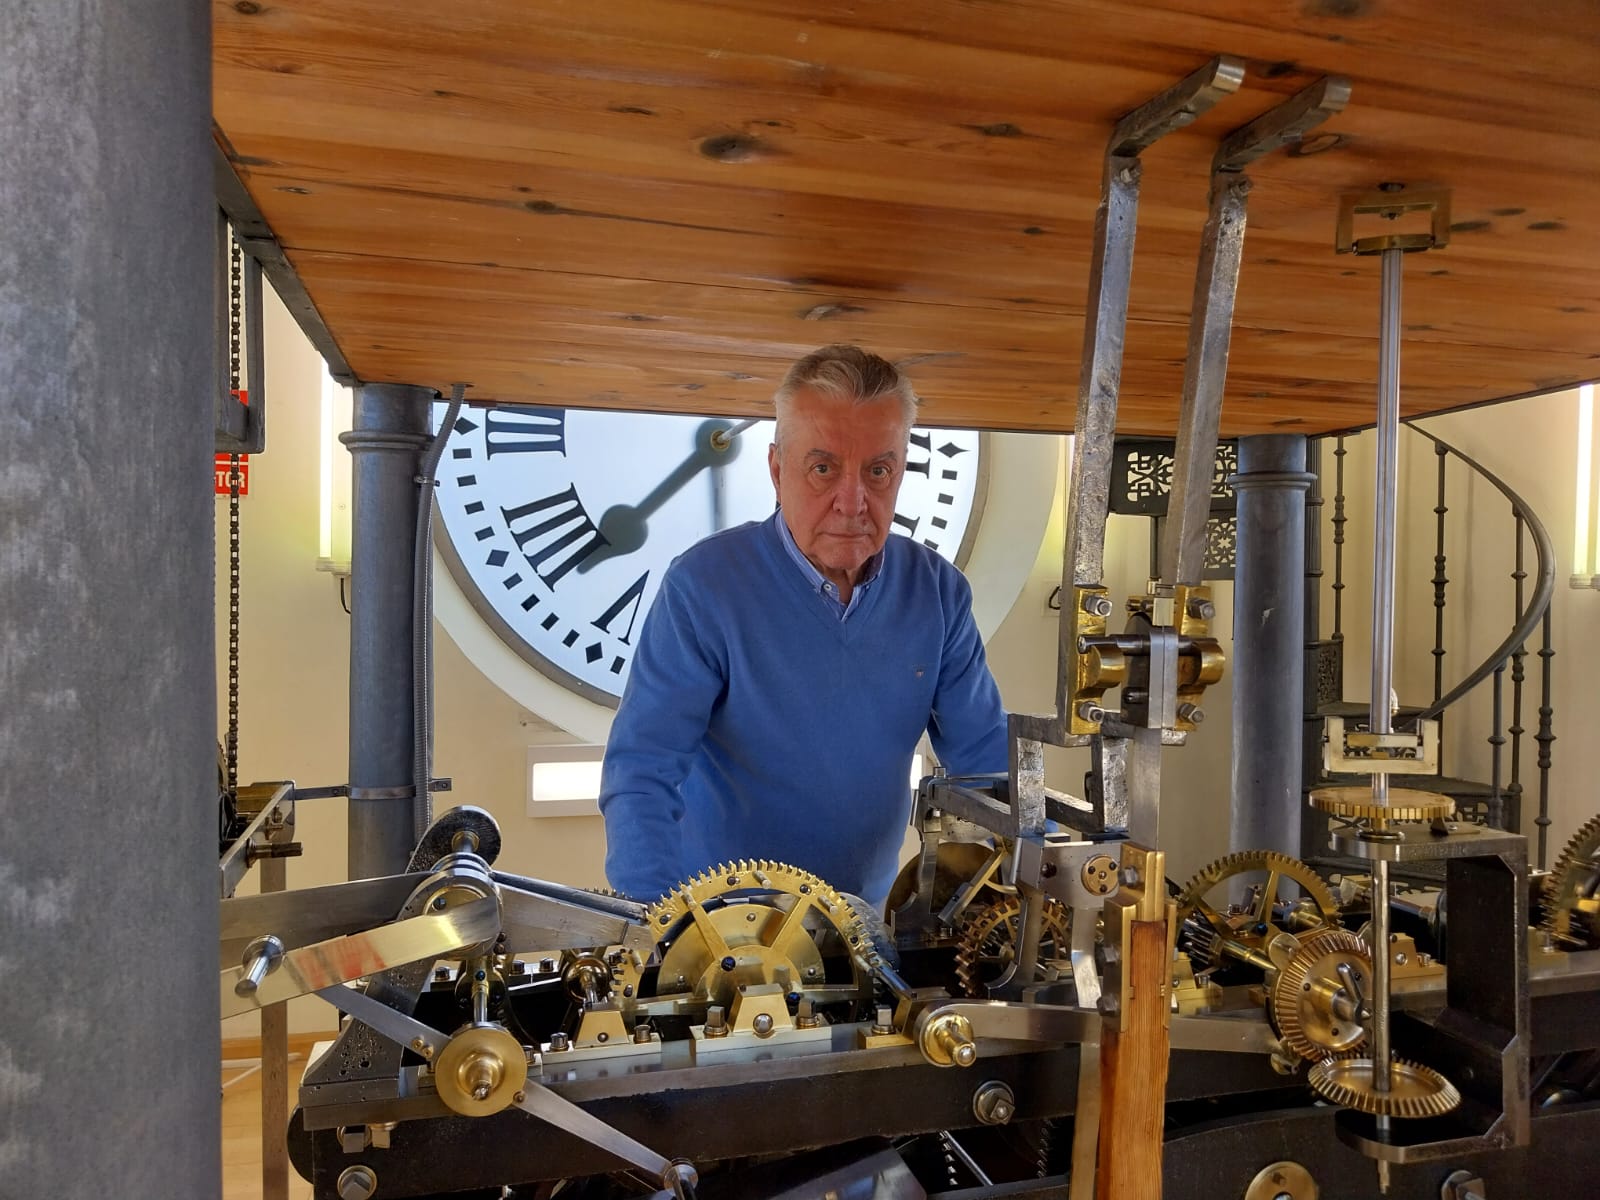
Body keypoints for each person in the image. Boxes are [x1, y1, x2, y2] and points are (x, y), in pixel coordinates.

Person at [598, 344, 1008, 912]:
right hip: (724, 928)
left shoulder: (939, 594)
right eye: (823, 469)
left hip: (865, 924)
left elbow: (987, 770)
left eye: (878, 471)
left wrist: (1027, 881)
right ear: (776, 469)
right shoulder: (703, 587)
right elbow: (642, 773)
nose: (852, 503)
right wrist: (657, 924)